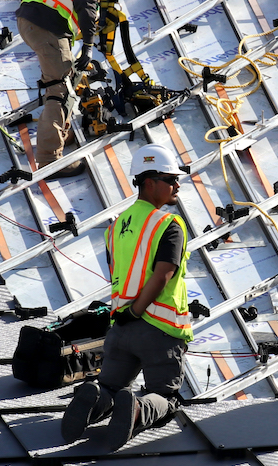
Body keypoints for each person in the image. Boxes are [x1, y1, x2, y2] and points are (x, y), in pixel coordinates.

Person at [62, 143, 192, 448]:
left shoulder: (117, 225)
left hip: (120, 330)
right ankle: (137, 410)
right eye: (170, 179)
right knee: (167, 397)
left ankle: (95, 399)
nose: (177, 185)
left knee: (109, 385)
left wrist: (128, 314)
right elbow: (163, 275)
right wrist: (138, 310)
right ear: (149, 182)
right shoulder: (168, 224)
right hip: (157, 328)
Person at [16, 0, 131, 177]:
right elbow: (86, 4)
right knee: (61, 92)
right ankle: (49, 161)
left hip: (30, 20)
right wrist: (89, 45)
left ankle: (62, 135)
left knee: (62, 81)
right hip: (48, 26)